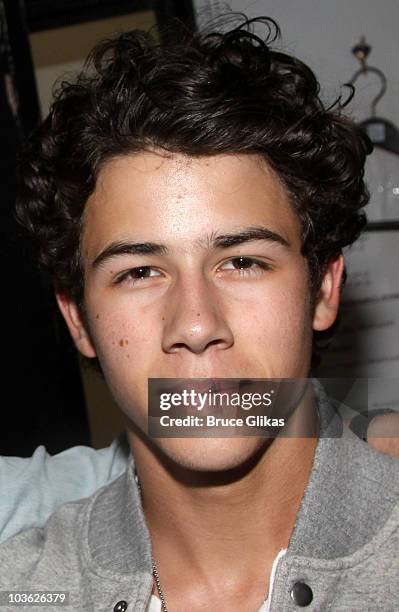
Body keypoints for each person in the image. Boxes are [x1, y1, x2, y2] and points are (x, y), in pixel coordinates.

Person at [0, 15, 398, 611]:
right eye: (139, 272)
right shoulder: (27, 591)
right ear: (78, 319)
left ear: (322, 289)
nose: (195, 324)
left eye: (242, 262)